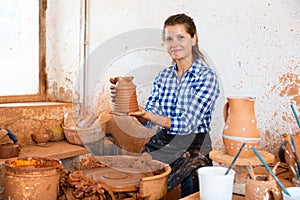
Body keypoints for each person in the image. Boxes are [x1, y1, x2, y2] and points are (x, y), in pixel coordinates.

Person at [110, 13, 220, 198]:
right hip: (164, 141)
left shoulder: (206, 77)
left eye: (180, 37)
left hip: (195, 146)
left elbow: (187, 124)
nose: (174, 44)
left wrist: (148, 116)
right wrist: (130, 104)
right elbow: (148, 120)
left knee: (192, 178)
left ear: (194, 39)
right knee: (138, 180)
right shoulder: (164, 76)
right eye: (169, 39)